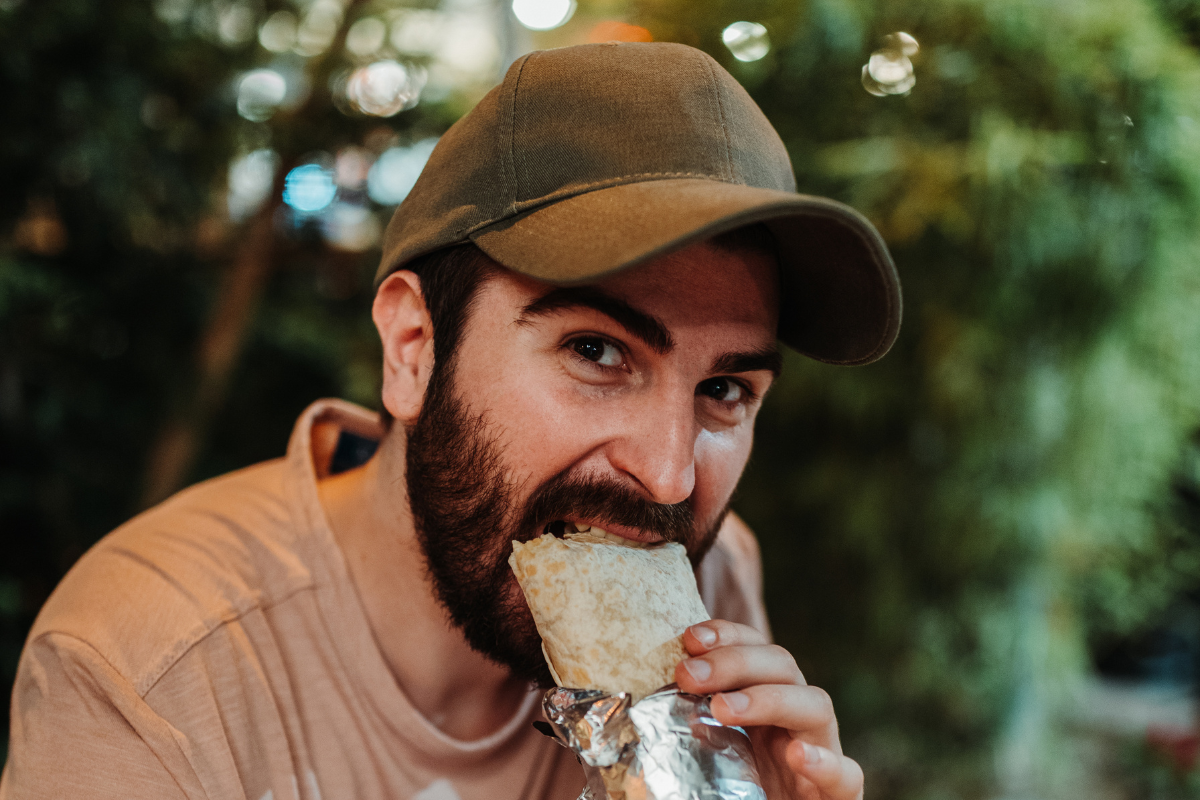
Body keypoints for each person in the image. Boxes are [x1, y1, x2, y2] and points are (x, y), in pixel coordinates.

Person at [0, 41, 900, 800]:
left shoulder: (718, 584)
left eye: (725, 390)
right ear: (413, 346)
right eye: (596, 352)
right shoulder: (153, 674)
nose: (668, 478)